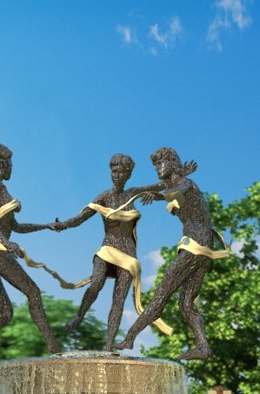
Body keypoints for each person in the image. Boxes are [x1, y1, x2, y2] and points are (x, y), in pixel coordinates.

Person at [114, 147, 226, 361]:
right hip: (202, 247)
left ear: (172, 164)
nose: (157, 168)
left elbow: (173, 193)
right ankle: (203, 347)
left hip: (195, 245)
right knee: (186, 304)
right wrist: (129, 192)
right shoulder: (171, 183)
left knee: (162, 293)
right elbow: (145, 188)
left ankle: (130, 337)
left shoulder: (186, 184)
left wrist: (156, 196)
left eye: (160, 163)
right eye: (155, 164)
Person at [54, 154, 165, 347]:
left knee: (118, 300)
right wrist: (63, 225)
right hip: (108, 248)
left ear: (128, 175)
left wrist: (167, 183)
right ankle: (80, 316)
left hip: (128, 254)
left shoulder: (132, 193)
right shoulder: (104, 197)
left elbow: (161, 186)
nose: (117, 176)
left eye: (121, 172)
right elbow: (81, 217)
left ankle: (109, 345)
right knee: (96, 284)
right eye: (114, 171)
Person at [0, 143, 62, 364]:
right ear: (1, 165)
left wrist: (46, 226)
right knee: (34, 293)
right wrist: (7, 243)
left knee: (6, 313)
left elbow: (17, 227)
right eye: (10, 163)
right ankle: (54, 346)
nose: (12, 167)